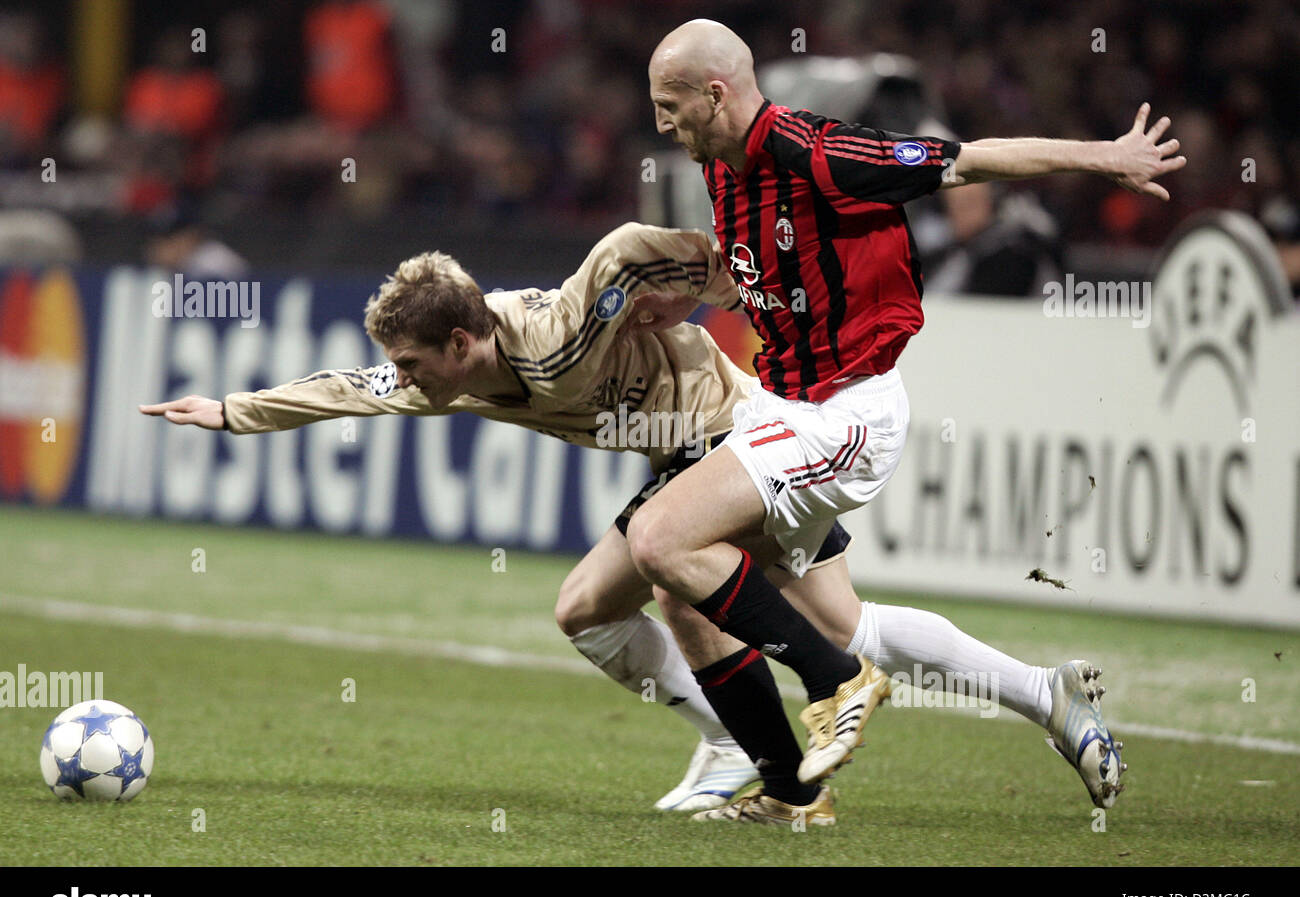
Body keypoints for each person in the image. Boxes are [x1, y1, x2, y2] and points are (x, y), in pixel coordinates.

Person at [142, 221, 1126, 824]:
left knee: (661, 581)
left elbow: (624, 255)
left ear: (457, 339)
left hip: (734, 437)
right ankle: (1044, 695)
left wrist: (717, 280)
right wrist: (229, 410)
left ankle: (776, 773)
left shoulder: (555, 330)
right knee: (830, 624)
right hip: (695, 452)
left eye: (412, 364)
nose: (402, 383)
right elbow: (344, 390)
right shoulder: (448, 378)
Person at [625, 19, 1179, 823]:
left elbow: (968, 159)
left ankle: (833, 686)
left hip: (847, 412)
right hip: (785, 409)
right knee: (729, 601)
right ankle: (1035, 699)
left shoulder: (821, 152)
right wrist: (698, 292)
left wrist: (1107, 155)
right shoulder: (720, 166)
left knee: (659, 538)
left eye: (670, 104)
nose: (660, 123)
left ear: (717, 94)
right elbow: (771, 271)